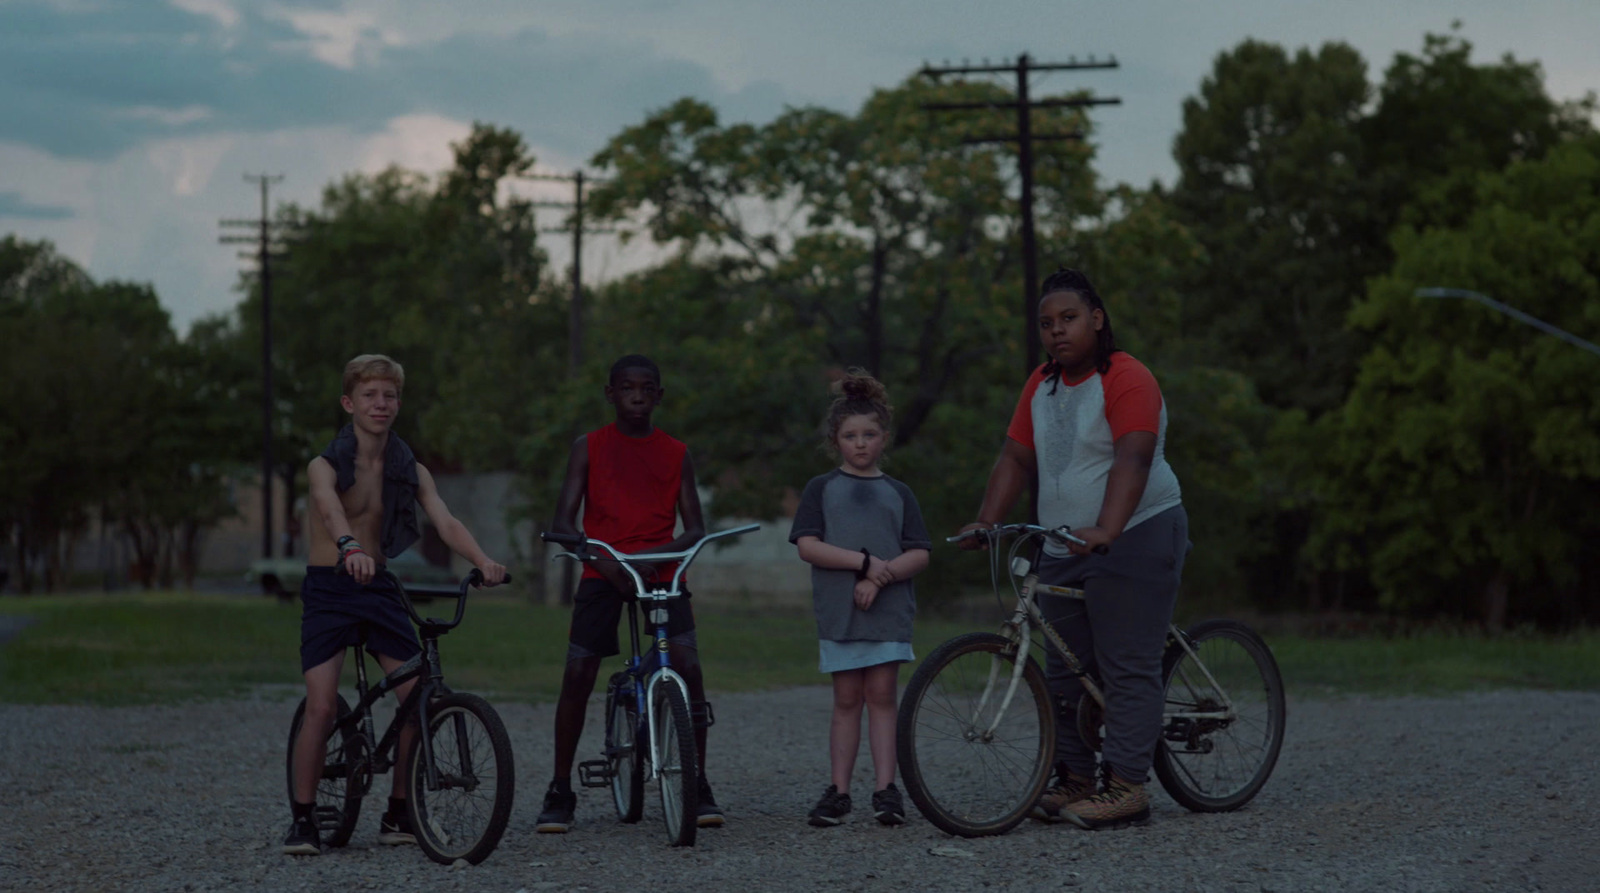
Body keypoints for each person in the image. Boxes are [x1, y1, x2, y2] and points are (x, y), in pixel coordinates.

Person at [956, 268, 1187, 830]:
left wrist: (1107, 529)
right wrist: (987, 521)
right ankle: (1077, 778)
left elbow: (1132, 458)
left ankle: (1128, 787)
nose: (1057, 331)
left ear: (1097, 320)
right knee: (1063, 670)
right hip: (1061, 543)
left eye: (1069, 319)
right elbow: (1015, 457)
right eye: (1046, 323)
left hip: (1135, 534)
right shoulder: (1042, 383)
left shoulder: (1129, 377)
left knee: (1125, 665)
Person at [283, 354, 507, 856]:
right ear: (349, 403)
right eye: (369, 395)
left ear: (398, 403)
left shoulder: (410, 468)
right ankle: (302, 819)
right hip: (330, 585)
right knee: (321, 705)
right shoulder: (324, 464)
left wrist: (484, 561)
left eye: (388, 396)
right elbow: (329, 507)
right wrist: (349, 546)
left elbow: (444, 521)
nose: (380, 404)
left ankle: (399, 811)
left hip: (378, 584)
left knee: (417, 698)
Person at [536, 354, 724, 833]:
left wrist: (652, 558)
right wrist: (605, 560)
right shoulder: (589, 447)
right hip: (603, 570)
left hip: (662, 571)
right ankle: (560, 788)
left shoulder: (676, 452)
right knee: (579, 670)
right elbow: (563, 524)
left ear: (659, 395)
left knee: (688, 667)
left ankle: (698, 782)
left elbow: (695, 527)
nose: (636, 395)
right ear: (611, 394)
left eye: (646, 388)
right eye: (626, 387)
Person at [789, 371, 931, 827]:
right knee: (847, 699)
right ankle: (839, 791)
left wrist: (879, 577)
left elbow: (919, 554)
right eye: (851, 436)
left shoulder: (899, 492)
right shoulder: (820, 488)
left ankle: (886, 791)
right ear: (836, 439)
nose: (861, 443)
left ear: (884, 438)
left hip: (886, 613)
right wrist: (863, 563)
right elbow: (808, 546)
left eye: (870, 434)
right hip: (840, 614)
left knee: (883, 695)